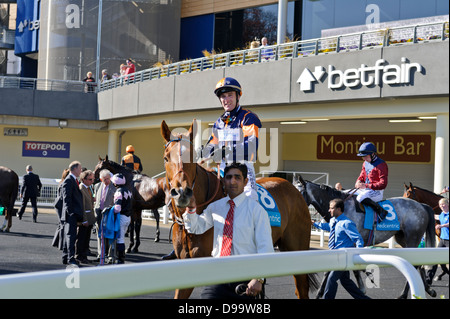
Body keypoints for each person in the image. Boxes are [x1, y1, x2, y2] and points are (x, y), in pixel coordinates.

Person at [183, 162, 273, 299]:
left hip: (246, 280)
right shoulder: (215, 207)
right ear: (224, 181)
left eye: (237, 177)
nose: (233, 181)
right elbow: (196, 227)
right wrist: (191, 209)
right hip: (217, 276)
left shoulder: (257, 211)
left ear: (245, 181)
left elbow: (265, 247)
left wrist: (259, 278)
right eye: (229, 177)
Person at [203, 77, 261, 200]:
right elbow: (212, 144)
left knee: (250, 196)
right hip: (223, 169)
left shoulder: (248, 117)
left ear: (238, 96)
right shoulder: (219, 123)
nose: (226, 99)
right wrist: (202, 152)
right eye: (223, 96)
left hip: (243, 168)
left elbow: (251, 146)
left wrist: (227, 150)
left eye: (230, 95)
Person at [313, 198, 369, 299]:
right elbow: (328, 227)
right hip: (335, 256)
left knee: (331, 279)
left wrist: (358, 254)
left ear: (339, 209)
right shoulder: (333, 221)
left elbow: (358, 239)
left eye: (331, 208)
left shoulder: (347, 223)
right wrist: (314, 224)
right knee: (345, 281)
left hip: (343, 257)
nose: (329, 210)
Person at [353, 142, 388, 221]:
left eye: (365, 156)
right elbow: (362, 176)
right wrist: (358, 181)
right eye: (362, 157)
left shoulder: (381, 164)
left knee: (359, 198)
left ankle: (381, 211)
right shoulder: (365, 163)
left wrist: (366, 186)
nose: (364, 159)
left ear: (373, 154)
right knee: (347, 194)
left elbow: (383, 184)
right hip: (365, 189)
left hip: (377, 192)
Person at [61, 161, 84, 265]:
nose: (81, 170)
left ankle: (66, 257)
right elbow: (66, 198)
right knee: (71, 236)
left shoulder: (73, 180)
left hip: (72, 213)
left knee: (69, 236)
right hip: (71, 214)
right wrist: (71, 212)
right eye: (80, 168)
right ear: (74, 169)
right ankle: (70, 258)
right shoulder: (69, 181)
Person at [93, 169, 116, 262]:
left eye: (108, 178)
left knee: (110, 236)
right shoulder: (97, 186)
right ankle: (100, 255)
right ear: (101, 179)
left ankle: (111, 256)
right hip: (99, 213)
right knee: (99, 235)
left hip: (110, 214)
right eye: (104, 179)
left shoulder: (114, 187)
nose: (107, 181)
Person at [110, 173, 132, 264]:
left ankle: (120, 259)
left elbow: (117, 208)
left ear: (116, 183)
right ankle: (120, 258)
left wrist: (111, 210)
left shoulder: (118, 192)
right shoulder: (128, 191)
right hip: (128, 217)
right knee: (121, 238)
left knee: (120, 239)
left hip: (121, 217)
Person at [75, 170, 96, 264]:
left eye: (93, 179)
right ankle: (79, 256)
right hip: (84, 219)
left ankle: (84, 256)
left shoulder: (89, 187)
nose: (92, 181)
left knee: (86, 239)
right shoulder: (81, 188)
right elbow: (81, 206)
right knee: (81, 239)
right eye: (90, 179)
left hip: (90, 218)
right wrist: (84, 220)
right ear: (83, 179)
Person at [426, 198, 449, 283]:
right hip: (442, 241)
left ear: (447, 204)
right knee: (435, 258)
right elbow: (435, 216)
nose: (441, 206)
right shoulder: (442, 214)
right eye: (440, 205)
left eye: (443, 204)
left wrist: (441, 226)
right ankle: (428, 280)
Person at [52, 169, 69, 250]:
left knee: (60, 224)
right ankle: (61, 244)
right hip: (60, 205)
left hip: (58, 204)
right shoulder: (64, 183)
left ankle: (56, 242)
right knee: (62, 225)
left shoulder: (62, 182)